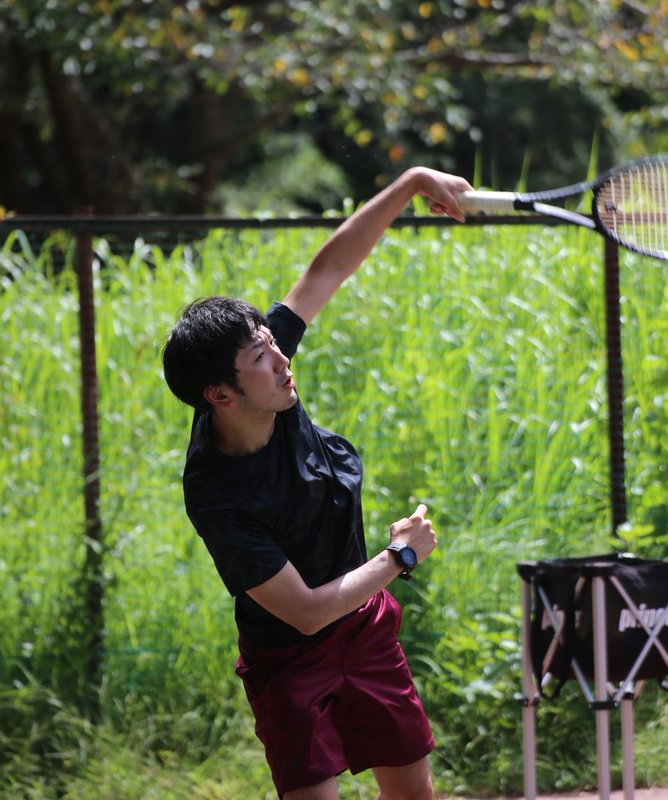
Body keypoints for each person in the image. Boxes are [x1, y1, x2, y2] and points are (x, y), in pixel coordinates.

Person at [160, 167, 475, 799]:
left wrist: (412, 183)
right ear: (220, 395)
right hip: (289, 659)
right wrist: (400, 556)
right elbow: (305, 613)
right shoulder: (218, 494)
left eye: (272, 343)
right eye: (262, 358)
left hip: (365, 632)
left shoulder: (264, 380)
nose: (283, 360)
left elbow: (328, 269)